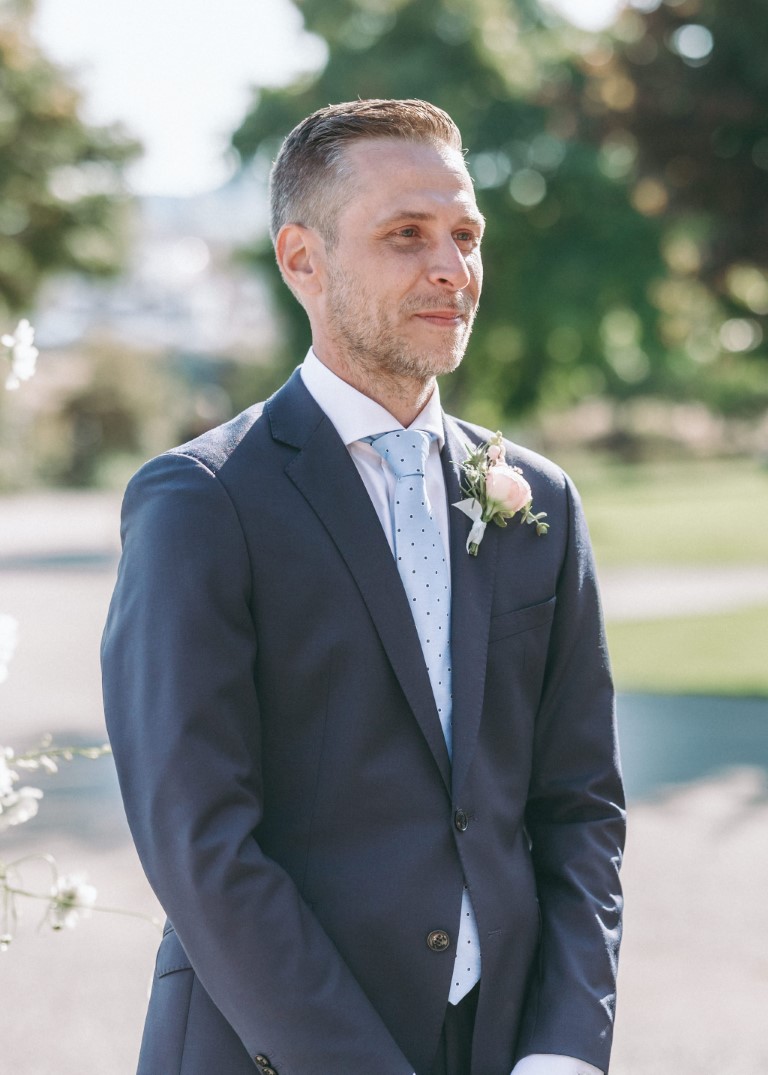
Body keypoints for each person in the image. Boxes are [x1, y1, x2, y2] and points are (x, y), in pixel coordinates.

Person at [102, 98, 625, 1075]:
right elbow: (200, 841)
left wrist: (563, 1050)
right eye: (406, 236)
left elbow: (581, 803)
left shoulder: (536, 500)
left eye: (465, 234)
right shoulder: (200, 502)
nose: (451, 268)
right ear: (303, 260)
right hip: (276, 1050)